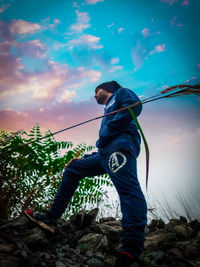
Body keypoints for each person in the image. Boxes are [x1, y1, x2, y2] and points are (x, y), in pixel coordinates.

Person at [25, 81, 147, 266]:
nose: (94, 96)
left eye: (96, 91)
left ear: (107, 88)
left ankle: (131, 248)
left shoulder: (121, 93)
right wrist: (85, 158)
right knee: (73, 169)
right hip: (104, 153)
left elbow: (135, 106)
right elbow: (104, 143)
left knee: (128, 190)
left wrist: (112, 125)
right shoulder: (107, 109)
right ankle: (51, 217)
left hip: (120, 147)